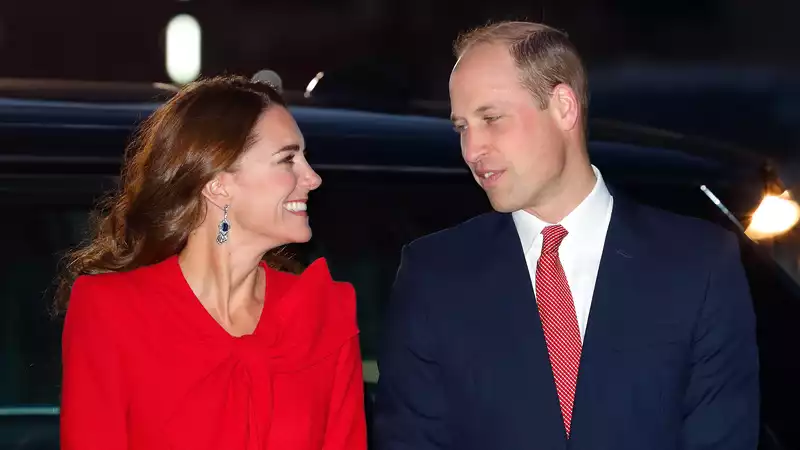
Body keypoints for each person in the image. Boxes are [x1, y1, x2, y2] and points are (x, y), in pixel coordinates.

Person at [373, 21, 759, 450]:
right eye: (462, 127)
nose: (472, 150)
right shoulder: (434, 275)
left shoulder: (699, 264)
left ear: (563, 107)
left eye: (491, 119)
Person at [57, 76, 367, 450]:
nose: (312, 178)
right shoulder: (112, 311)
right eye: (288, 159)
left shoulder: (322, 313)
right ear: (218, 184)